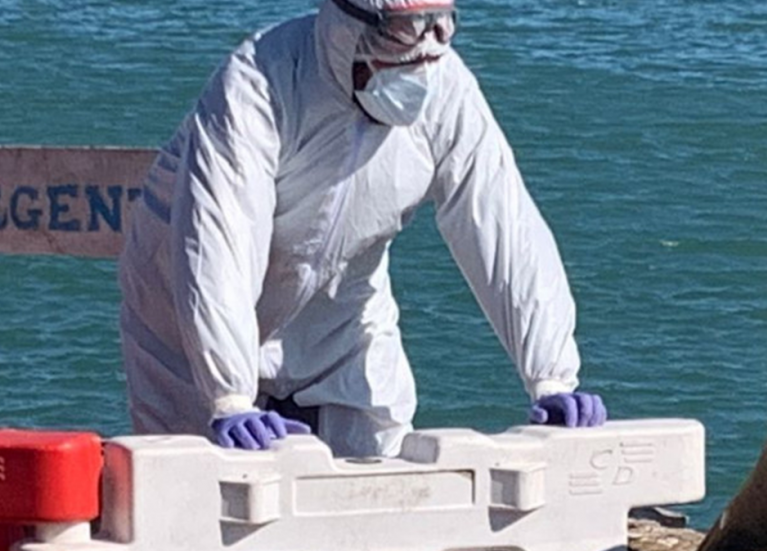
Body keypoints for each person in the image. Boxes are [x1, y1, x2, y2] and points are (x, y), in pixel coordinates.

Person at [118, 0, 606, 456]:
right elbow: (217, 241)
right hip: (182, 319)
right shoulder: (258, 82)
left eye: (442, 22)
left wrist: (552, 377)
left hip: (342, 312)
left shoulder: (447, 88)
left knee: (380, 479)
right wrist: (228, 395)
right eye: (405, 29)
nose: (426, 47)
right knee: (197, 491)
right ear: (349, 25)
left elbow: (503, 227)